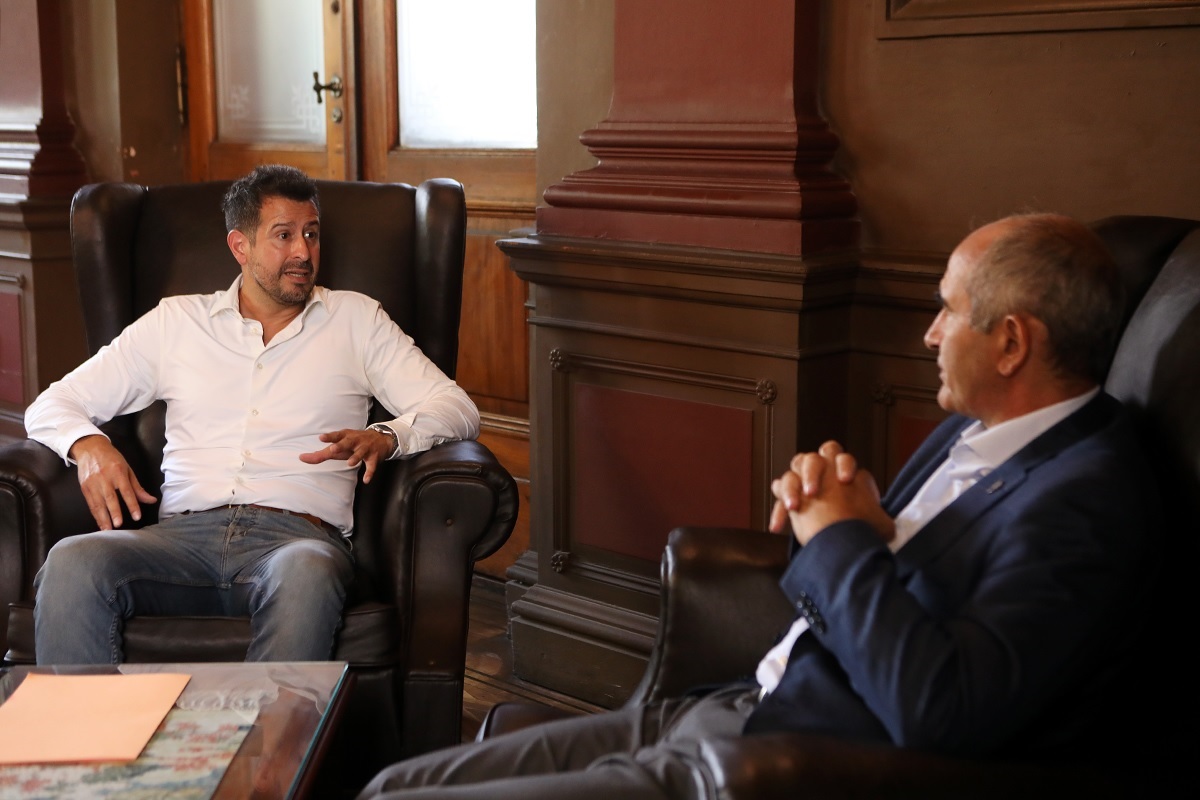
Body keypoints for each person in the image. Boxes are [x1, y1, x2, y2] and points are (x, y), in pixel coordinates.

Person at [355, 212, 1161, 800]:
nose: (929, 333)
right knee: (393, 786)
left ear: (1013, 343)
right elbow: (898, 573)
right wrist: (853, 518)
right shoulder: (980, 429)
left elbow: (941, 710)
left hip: (777, 762)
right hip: (726, 705)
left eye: (949, 310)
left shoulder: (1086, 505)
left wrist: (842, 535)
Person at [26, 164, 479, 664]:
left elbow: (456, 408)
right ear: (240, 246)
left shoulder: (356, 320)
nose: (303, 252)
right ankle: (86, 721)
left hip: (297, 542)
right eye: (284, 236)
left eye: (311, 234)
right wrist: (88, 446)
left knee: (307, 571)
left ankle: (272, 721)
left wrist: (388, 435)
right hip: (179, 541)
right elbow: (52, 403)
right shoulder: (176, 322)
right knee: (72, 560)